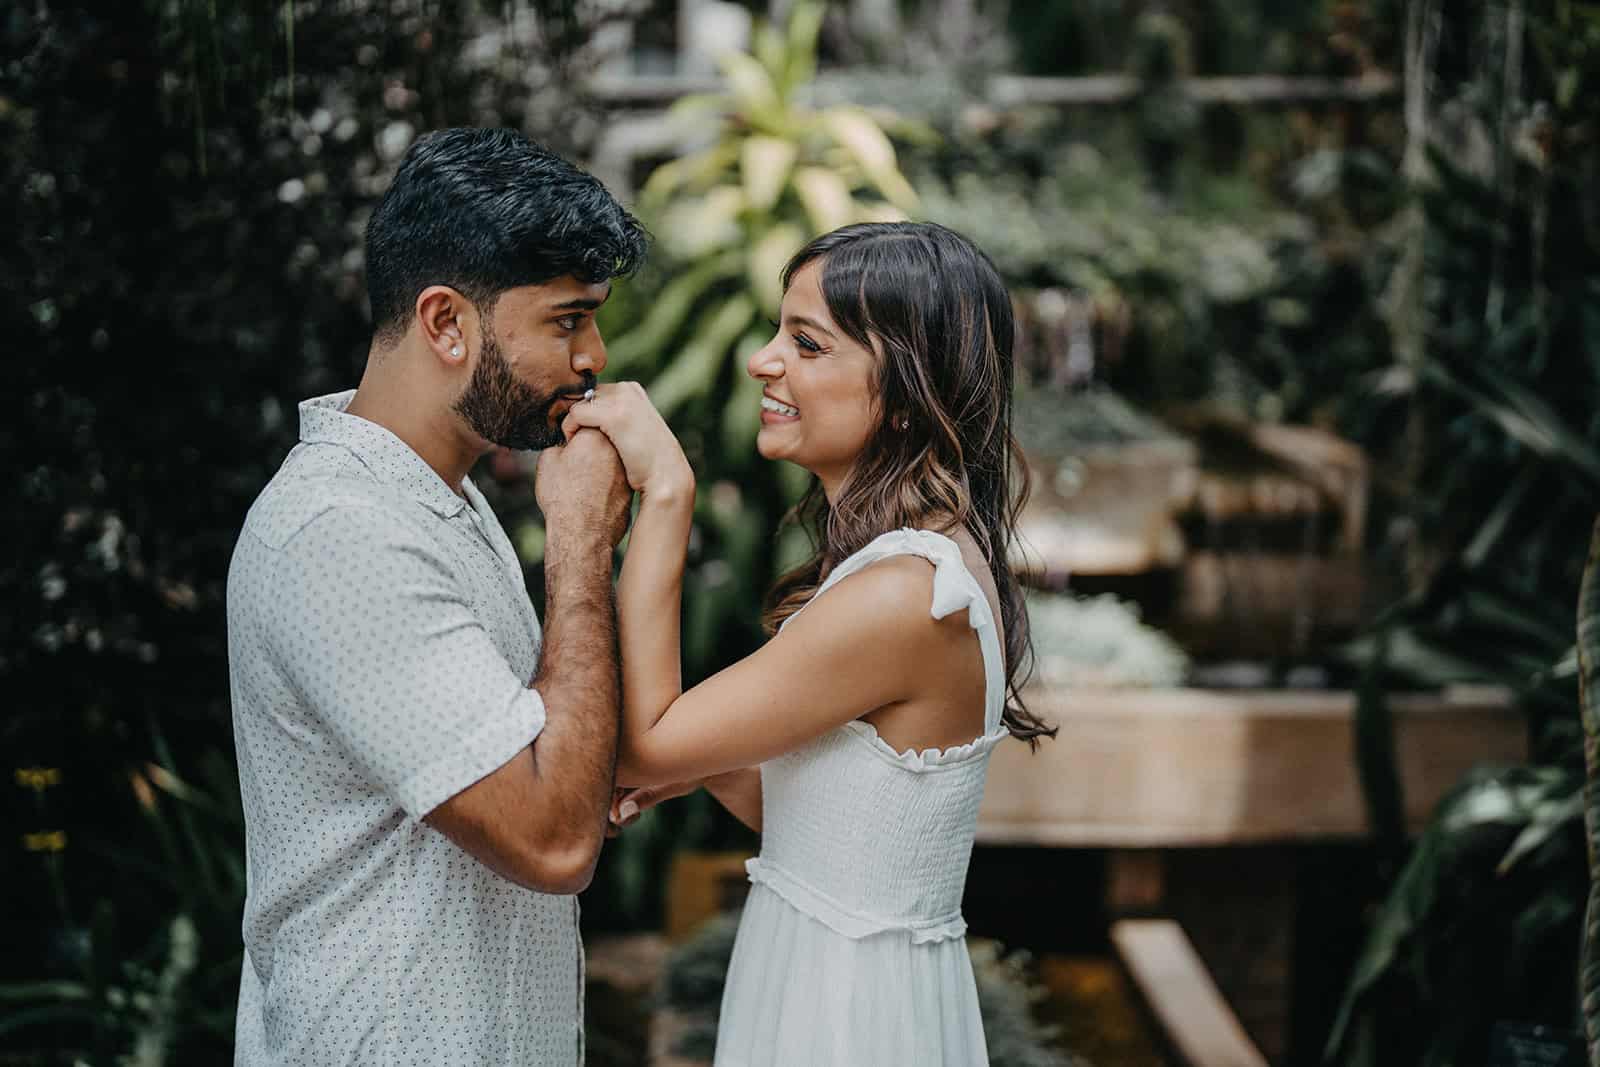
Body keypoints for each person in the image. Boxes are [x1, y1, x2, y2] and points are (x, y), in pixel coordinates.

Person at [566, 221, 1056, 1065]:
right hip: (835, 973)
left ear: (905, 392)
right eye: (776, 331)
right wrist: (709, 760)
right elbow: (823, 826)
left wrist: (668, 493)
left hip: (846, 1009)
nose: (764, 360)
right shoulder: (914, 562)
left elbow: (641, 742)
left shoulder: (906, 593)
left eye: (807, 343)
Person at [225, 127, 646, 1066]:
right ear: (447, 323)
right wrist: (581, 543)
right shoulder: (339, 534)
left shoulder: (440, 504)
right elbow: (550, 844)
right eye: (567, 319)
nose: (595, 354)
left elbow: (536, 769)